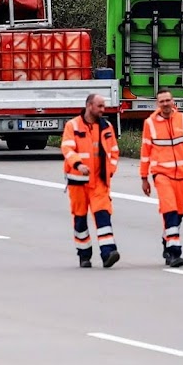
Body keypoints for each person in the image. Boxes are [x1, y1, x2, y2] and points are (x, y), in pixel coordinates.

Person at [140, 88, 183, 267]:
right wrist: (144, 177)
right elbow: (145, 152)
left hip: (182, 175)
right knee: (169, 210)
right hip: (161, 174)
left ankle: (166, 241)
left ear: (173, 101)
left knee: (178, 214)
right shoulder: (150, 123)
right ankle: (175, 252)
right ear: (157, 104)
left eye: (168, 100)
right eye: (162, 101)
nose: (165, 104)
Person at [61, 94, 120, 269]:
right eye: (100, 106)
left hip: (100, 181)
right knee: (80, 220)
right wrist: (78, 164)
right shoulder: (73, 126)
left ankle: (108, 253)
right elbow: (67, 148)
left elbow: (114, 152)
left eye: (104, 106)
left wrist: (110, 171)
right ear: (89, 106)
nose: (103, 110)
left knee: (103, 216)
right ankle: (84, 255)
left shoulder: (106, 126)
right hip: (77, 181)